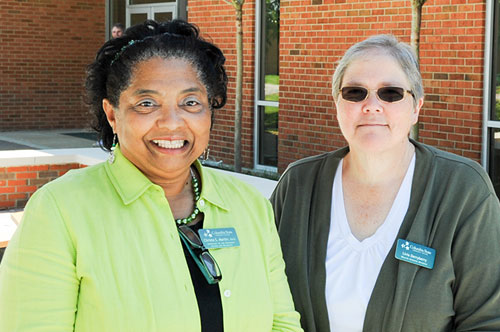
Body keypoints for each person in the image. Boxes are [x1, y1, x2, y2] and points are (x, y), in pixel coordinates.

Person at [0, 19, 302, 331]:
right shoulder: (59, 211)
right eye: (147, 103)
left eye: (190, 102)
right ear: (113, 114)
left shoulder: (250, 206)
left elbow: (282, 323)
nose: (172, 123)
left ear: (209, 110)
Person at [271, 34, 500, 331]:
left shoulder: (464, 191)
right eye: (355, 92)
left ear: (416, 106)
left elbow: (488, 321)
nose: (371, 105)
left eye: (390, 93)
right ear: (337, 104)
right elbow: (260, 293)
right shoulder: (298, 185)